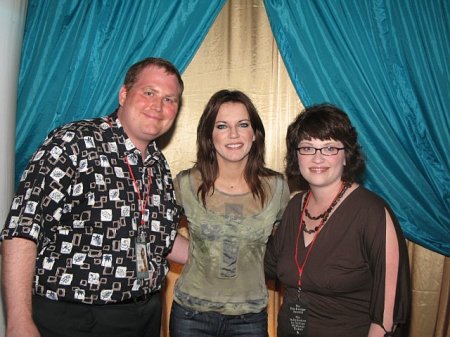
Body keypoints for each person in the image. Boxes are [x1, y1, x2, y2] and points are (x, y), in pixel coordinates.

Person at [1, 57, 189, 337]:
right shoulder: (73, 142)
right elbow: (22, 230)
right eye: (149, 92)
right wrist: (17, 319)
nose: (158, 106)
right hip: (74, 319)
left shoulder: (158, 165)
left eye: (170, 99)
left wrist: (231, 255)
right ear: (124, 95)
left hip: (144, 316)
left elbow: (161, 239)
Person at [264, 104, 411, 337]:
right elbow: (264, 263)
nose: (317, 157)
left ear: (346, 156)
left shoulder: (372, 213)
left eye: (329, 148)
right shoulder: (294, 207)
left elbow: (386, 320)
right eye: (307, 148)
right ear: (296, 156)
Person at [169, 89, 290, 337]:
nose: (233, 134)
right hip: (191, 315)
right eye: (222, 126)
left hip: (249, 319)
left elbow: (284, 249)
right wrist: (199, 256)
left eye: (242, 124)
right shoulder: (185, 184)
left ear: (255, 134)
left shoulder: (277, 187)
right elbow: (154, 233)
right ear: (209, 136)